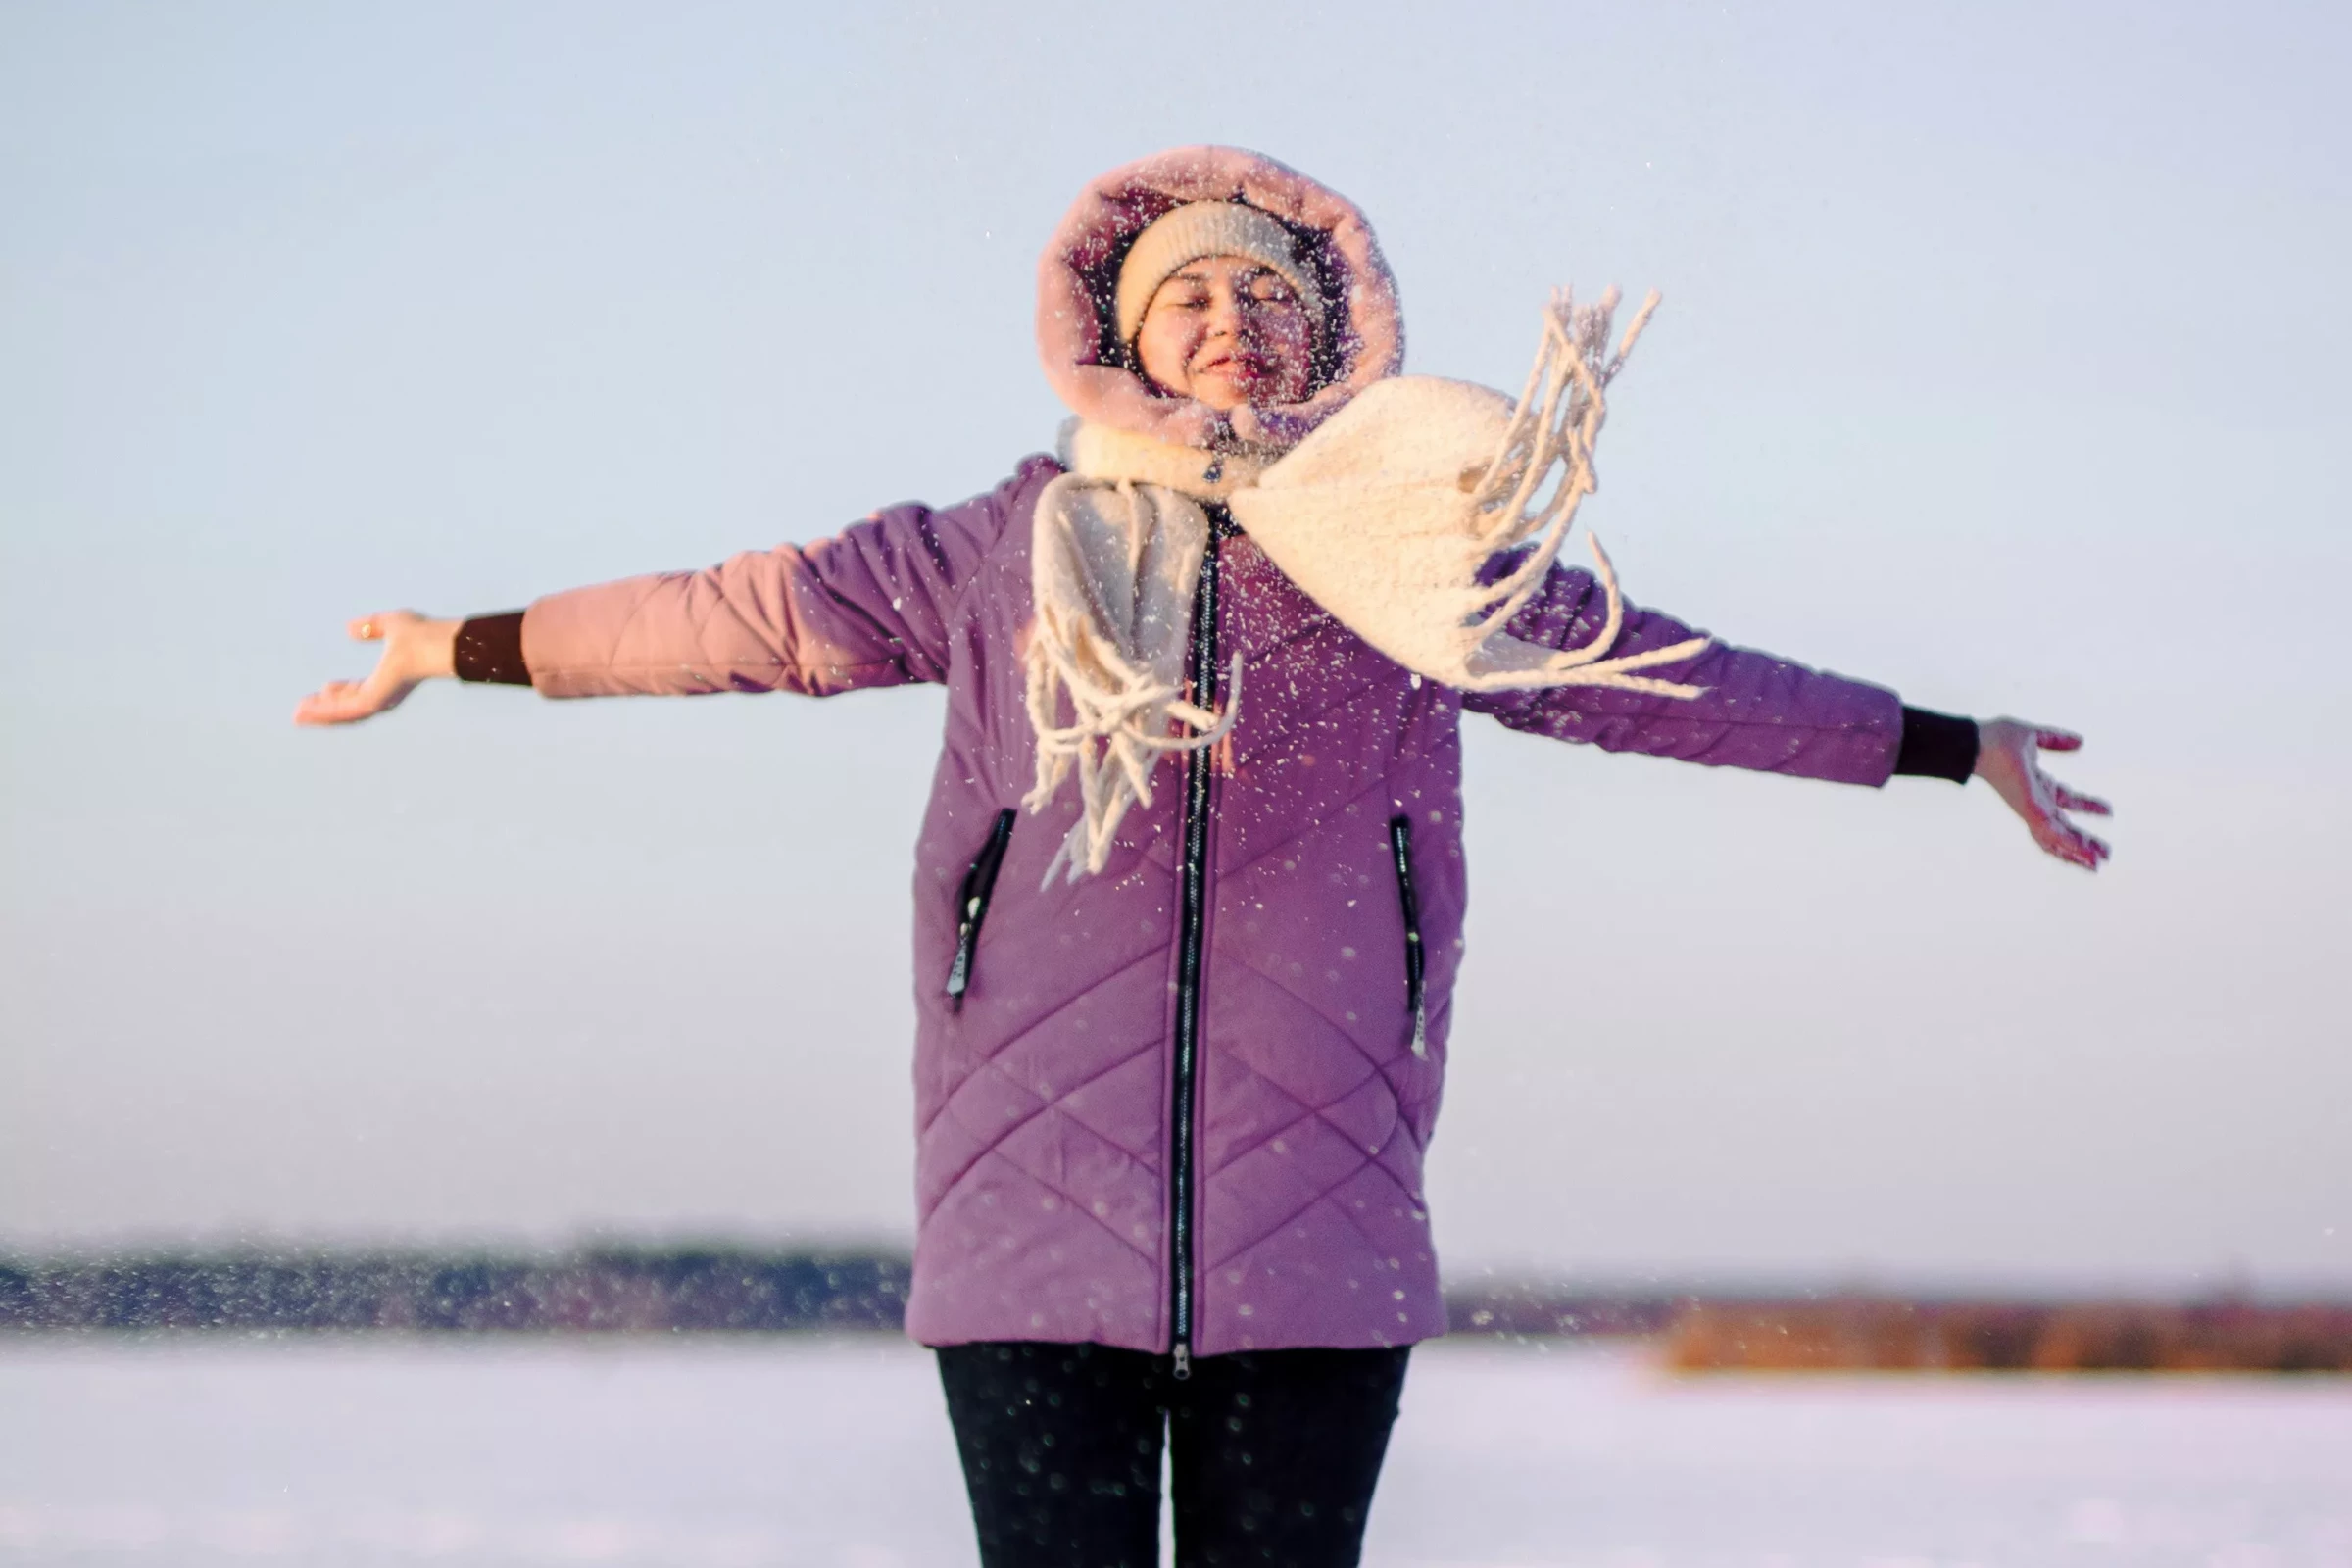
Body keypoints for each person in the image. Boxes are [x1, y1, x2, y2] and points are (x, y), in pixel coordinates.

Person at [296, 146, 2109, 1567]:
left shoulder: (1416, 568)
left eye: (1268, 289)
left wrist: (1949, 744)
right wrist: (461, 646)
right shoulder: (997, 552)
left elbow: (1667, 679)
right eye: (1190, 293)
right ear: (1118, 334)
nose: (1232, 316)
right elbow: (739, 615)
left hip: (1320, 1222)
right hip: (1025, 1219)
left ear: (1334, 337)